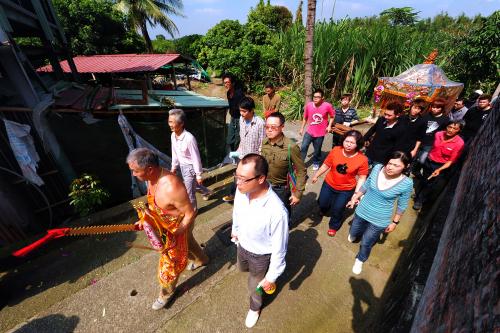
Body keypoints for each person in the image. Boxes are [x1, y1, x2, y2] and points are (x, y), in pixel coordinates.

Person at [127, 148, 207, 310]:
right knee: (189, 242)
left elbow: (190, 212)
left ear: (149, 169)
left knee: (169, 266)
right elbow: (154, 205)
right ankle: (201, 259)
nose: (134, 175)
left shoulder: (171, 186)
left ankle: (166, 293)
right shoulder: (151, 178)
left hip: (178, 226)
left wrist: (179, 231)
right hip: (165, 223)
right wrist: (146, 220)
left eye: (135, 171)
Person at [231, 154, 289, 328]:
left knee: (255, 286)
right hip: (241, 245)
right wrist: (236, 230)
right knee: (242, 268)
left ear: (261, 178)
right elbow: (237, 212)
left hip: (261, 255)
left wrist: (271, 276)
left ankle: (255, 308)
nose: (237, 183)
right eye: (236, 176)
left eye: (243, 179)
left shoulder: (277, 212)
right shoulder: (242, 191)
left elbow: (280, 248)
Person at [346, 151, 413, 275]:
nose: (390, 167)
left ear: (406, 166)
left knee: (367, 242)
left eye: (396, 165)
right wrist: (355, 197)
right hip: (362, 210)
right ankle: (355, 234)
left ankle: (360, 259)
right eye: (389, 163)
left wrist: (394, 222)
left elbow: (402, 205)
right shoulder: (377, 168)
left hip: (380, 219)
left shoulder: (406, 183)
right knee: (354, 229)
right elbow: (366, 185)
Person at [168, 109, 210, 270]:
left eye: (173, 122)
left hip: (191, 168)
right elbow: (174, 153)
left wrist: (199, 174)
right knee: (187, 190)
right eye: (169, 121)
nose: (170, 124)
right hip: (181, 167)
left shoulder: (189, 138)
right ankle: (205, 191)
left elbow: (195, 156)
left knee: (189, 193)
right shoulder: (173, 136)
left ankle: (191, 214)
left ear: (181, 123)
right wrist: (173, 166)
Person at [312, 130, 368, 237]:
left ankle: (334, 225)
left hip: (346, 189)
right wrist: (316, 175)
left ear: (358, 144)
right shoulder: (335, 150)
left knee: (338, 208)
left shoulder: (362, 159)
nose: (348, 144)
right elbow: (326, 165)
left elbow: (362, 177)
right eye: (347, 141)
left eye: (352, 143)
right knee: (322, 203)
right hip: (329, 183)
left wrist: (356, 195)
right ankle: (324, 209)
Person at [261, 112, 306, 217]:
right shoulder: (264, 143)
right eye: (267, 126)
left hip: (281, 189)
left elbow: (301, 171)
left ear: (282, 127)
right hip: (264, 185)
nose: (269, 129)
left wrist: (298, 194)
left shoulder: (291, 147)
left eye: (273, 127)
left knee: (283, 213)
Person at [413, 121, 465, 210]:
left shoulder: (459, 143)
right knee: (425, 179)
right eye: (449, 127)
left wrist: (439, 170)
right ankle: (419, 193)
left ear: (459, 130)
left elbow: (450, 161)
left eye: (455, 128)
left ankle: (420, 200)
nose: (451, 130)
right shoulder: (438, 134)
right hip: (429, 161)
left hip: (440, 166)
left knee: (430, 184)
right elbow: (433, 147)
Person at [223, 97, 265, 202]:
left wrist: (259, 159)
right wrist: (237, 151)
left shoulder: (260, 123)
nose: (241, 113)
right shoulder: (241, 120)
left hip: (253, 158)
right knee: (238, 176)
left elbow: (262, 142)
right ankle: (234, 195)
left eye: (244, 111)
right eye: (240, 110)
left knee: (250, 180)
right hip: (242, 155)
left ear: (252, 110)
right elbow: (242, 138)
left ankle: (251, 198)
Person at [412, 98, 449, 178]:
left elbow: (443, 132)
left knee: (422, 159)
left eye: (437, 107)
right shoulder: (426, 115)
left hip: (430, 143)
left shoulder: (445, 119)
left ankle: (416, 170)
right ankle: (412, 169)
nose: (434, 109)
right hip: (419, 139)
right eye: (433, 107)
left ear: (442, 108)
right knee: (414, 156)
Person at [299, 88, 335, 170]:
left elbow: (332, 116)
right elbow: (305, 118)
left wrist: (329, 126)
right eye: (314, 97)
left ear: (322, 98)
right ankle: (300, 163)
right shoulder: (309, 105)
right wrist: (301, 128)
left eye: (318, 97)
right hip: (309, 132)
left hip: (320, 133)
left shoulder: (327, 106)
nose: (315, 98)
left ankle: (316, 162)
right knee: (304, 147)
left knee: (317, 149)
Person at [363, 102, 407, 166]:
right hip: (370, 152)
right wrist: (363, 140)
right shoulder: (381, 120)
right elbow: (372, 130)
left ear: (398, 115)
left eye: (389, 115)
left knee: (374, 175)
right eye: (385, 114)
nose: (386, 117)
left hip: (382, 158)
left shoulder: (401, 129)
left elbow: (398, 146)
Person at [223, 73, 245, 152]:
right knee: (230, 139)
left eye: (227, 82)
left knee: (238, 139)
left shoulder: (239, 94)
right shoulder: (228, 93)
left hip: (240, 119)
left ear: (233, 83)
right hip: (233, 118)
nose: (226, 84)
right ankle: (233, 155)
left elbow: (243, 108)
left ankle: (238, 156)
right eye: (224, 82)